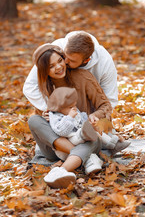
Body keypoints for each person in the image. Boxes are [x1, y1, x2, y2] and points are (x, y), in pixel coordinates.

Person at [26, 44, 115, 189]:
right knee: (34, 120)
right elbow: (45, 127)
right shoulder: (44, 86)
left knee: (92, 137)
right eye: (51, 66)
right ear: (44, 71)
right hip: (57, 148)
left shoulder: (82, 77)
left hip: (85, 138)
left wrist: (94, 116)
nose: (59, 67)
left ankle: (60, 172)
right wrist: (47, 116)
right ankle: (83, 157)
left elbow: (105, 106)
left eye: (60, 61)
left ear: (64, 59)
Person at [47, 87, 119, 161]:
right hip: (69, 143)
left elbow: (82, 122)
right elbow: (61, 131)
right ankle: (86, 138)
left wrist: (90, 124)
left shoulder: (73, 110)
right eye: (71, 107)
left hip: (83, 138)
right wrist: (69, 117)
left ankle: (113, 145)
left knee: (96, 132)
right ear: (59, 108)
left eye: (75, 105)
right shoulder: (55, 116)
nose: (74, 108)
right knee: (84, 133)